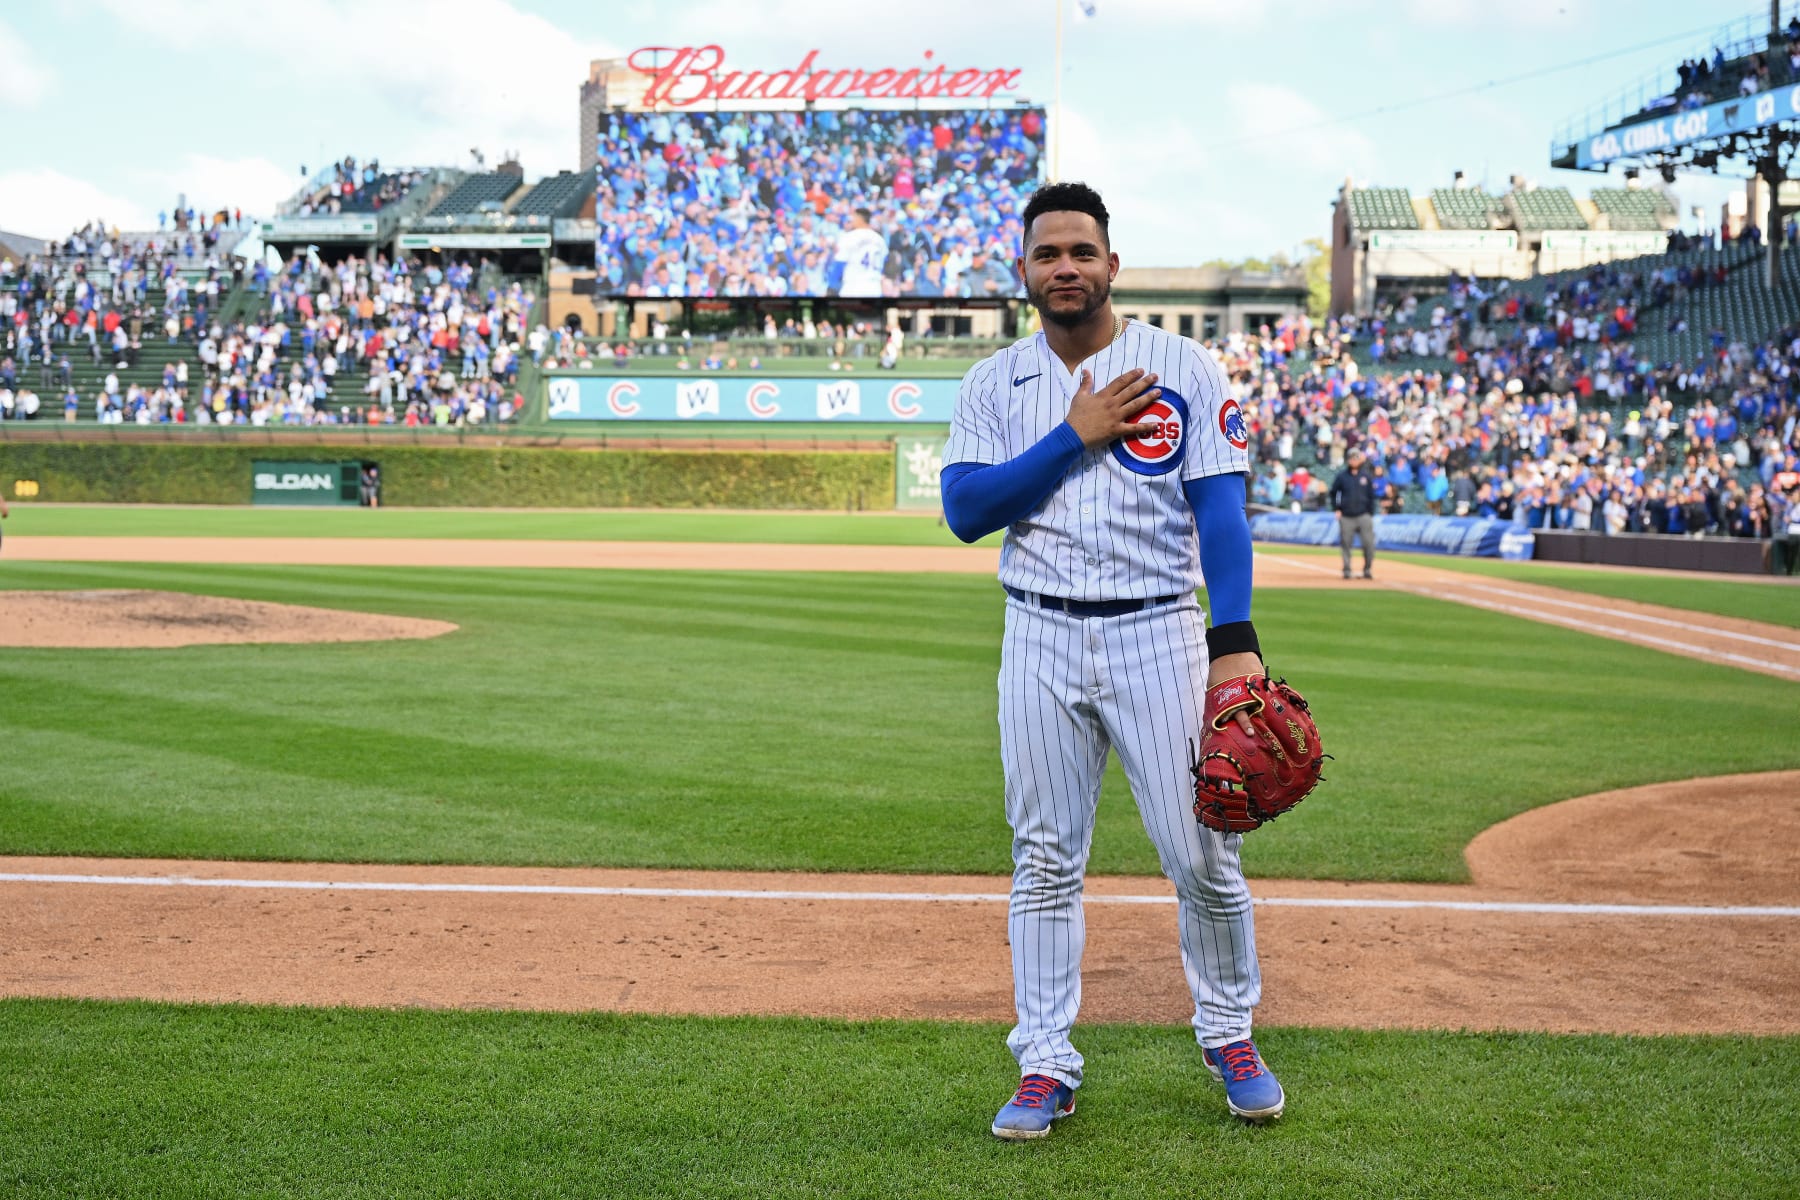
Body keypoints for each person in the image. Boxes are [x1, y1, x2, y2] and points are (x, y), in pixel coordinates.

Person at [940, 181, 1285, 1139]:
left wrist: (1237, 646)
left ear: (1111, 265)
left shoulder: (1183, 366)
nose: (1065, 268)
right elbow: (968, 513)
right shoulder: (993, 384)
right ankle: (1045, 1062)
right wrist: (1074, 435)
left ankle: (1230, 1032)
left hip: (1159, 631)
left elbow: (1221, 512)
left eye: (1080, 252)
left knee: (1202, 851)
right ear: (1024, 271)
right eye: (1047, 254)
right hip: (1038, 633)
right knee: (1045, 858)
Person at [1329, 447, 1378, 579]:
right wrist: (1337, 508)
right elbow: (1334, 493)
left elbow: (1371, 496)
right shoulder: (1342, 477)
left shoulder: (1366, 476)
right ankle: (1347, 570)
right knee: (1346, 544)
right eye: (1351, 458)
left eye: (1356, 458)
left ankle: (1367, 569)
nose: (1354, 460)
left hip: (1363, 515)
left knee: (1368, 543)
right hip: (1346, 516)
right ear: (1348, 460)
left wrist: (1370, 512)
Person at [832, 208, 889, 298]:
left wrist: (831, 285)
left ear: (859, 219)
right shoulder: (880, 240)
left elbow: (839, 263)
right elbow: (885, 262)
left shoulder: (849, 237)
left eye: (854, 218)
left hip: (853, 287)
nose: (852, 220)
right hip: (874, 288)